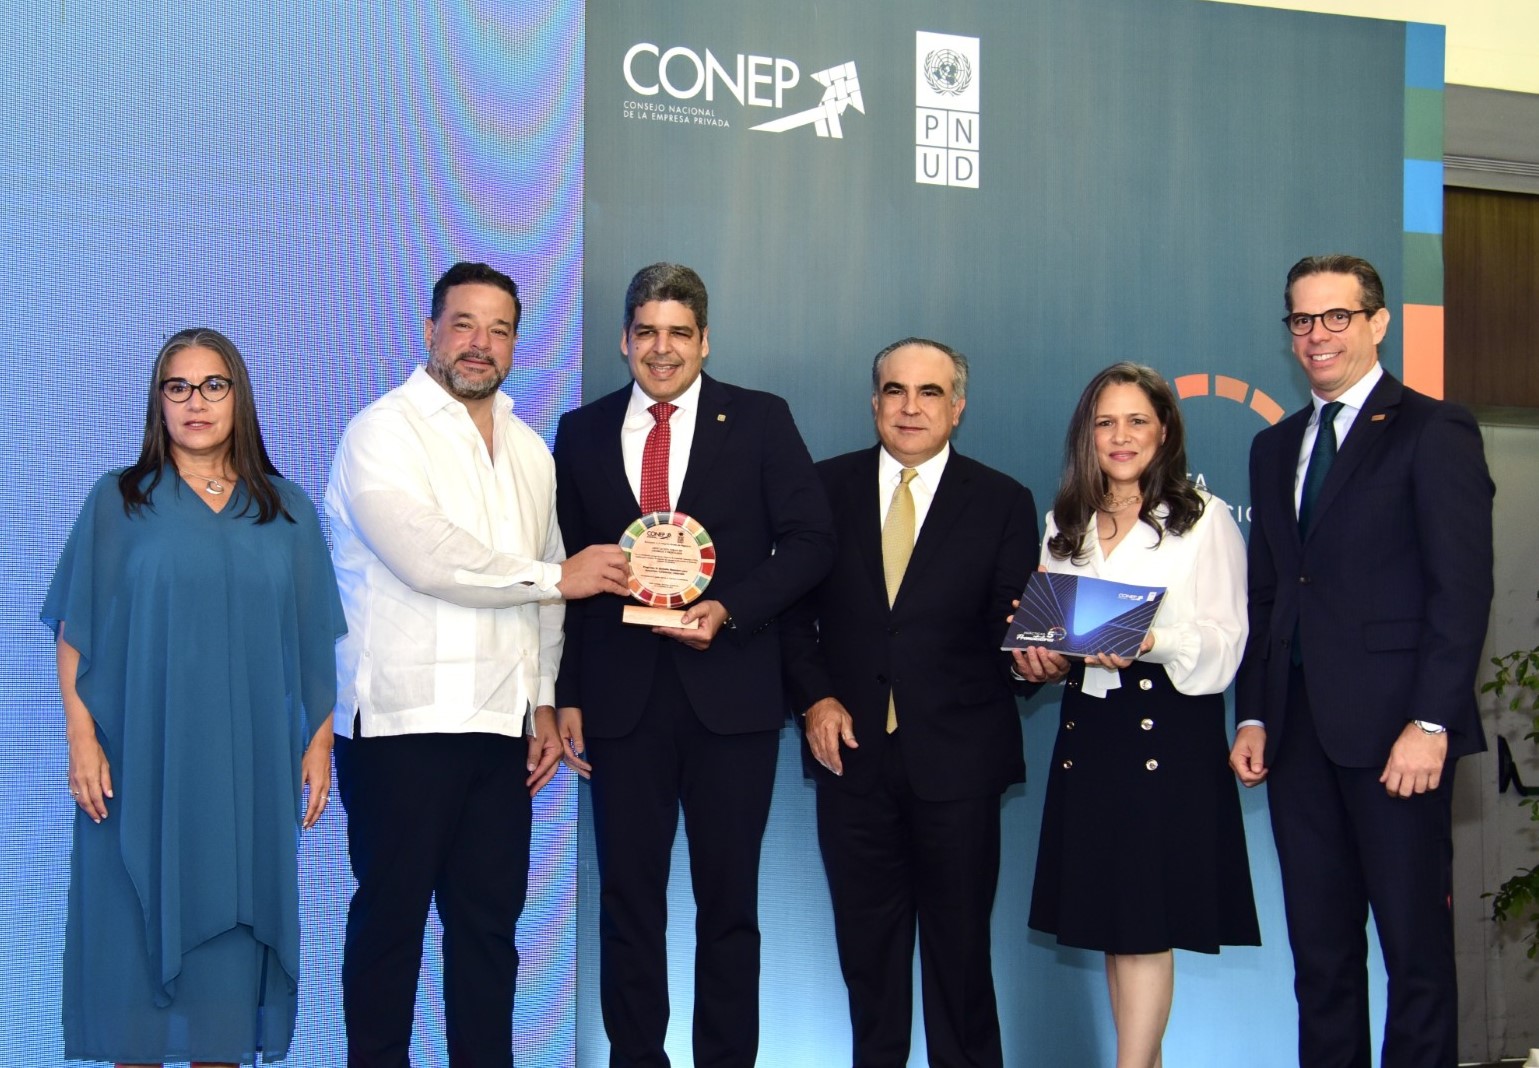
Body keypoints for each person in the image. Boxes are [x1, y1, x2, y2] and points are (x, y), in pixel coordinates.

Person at [326, 261, 630, 1067]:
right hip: (401, 724)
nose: (479, 343)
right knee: (390, 927)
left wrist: (540, 700)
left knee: (489, 933)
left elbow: (548, 586)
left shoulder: (529, 450)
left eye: (498, 330)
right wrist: (554, 579)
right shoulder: (382, 431)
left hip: (500, 730)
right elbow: (431, 558)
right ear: (430, 330)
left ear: (515, 345)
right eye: (463, 324)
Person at [552, 262, 835, 1068]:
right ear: (623, 340)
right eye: (646, 332)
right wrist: (565, 693)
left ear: (704, 340)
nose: (662, 348)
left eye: (679, 333)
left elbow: (811, 541)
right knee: (627, 904)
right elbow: (563, 569)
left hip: (731, 697)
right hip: (619, 701)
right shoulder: (580, 430)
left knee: (728, 906)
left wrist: (731, 608)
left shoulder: (760, 420)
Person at [42, 327, 344, 1067]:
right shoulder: (118, 501)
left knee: (224, 1001)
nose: (195, 402)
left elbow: (313, 641)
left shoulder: (287, 511)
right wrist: (81, 740)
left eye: (213, 385)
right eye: (176, 387)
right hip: (134, 773)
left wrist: (318, 743)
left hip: (245, 782)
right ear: (159, 403)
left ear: (238, 396)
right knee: (133, 978)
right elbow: (76, 631)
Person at [1230, 255, 1493, 1068]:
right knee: (1320, 959)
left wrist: (1430, 723)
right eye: (1301, 320)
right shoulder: (1272, 447)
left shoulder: (1432, 430)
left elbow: (1461, 591)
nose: (1317, 335)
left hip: (1397, 738)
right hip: (1297, 737)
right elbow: (1268, 594)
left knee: (1414, 958)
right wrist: (1253, 711)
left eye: (1336, 316)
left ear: (1377, 322)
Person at [781, 338, 1039, 1068]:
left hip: (958, 765)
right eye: (895, 390)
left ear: (957, 408)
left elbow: (1012, 630)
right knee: (868, 965)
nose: (910, 407)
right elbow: (790, 618)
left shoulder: (1003, 500)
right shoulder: (822, 488)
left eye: (930, 392)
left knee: (961, 965)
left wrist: (1036, 663)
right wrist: (815, 699)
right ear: (874, 403)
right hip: (851, 761)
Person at [1026, 362, 1260, 1068]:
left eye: (1136, 421)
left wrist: (1149, 641)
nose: (1120, 436)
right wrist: (1037, 658)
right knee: (1114, 926)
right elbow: (1053, 630)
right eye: (1105, 422)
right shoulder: (1064, 523)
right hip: (1088, 730)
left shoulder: (1203, 518)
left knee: (1145, 926)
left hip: (1168, 731)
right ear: (1086, 435)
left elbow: (1227, 640)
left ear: (1164, 431)